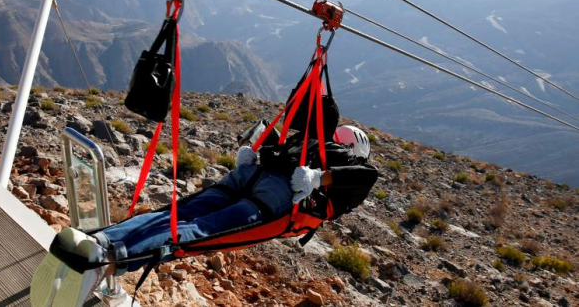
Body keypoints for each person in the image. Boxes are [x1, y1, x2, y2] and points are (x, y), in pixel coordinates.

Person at [31, 125, 374, 307]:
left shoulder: (307, 138)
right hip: (274, 199)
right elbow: (366, 175)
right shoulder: (345, 158)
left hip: (248, 175)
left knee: (173, 214)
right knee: (197, 230)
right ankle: (105, 260)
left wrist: (250, 153)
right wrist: (319, 178)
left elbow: (262, 134)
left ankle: (101, 240)